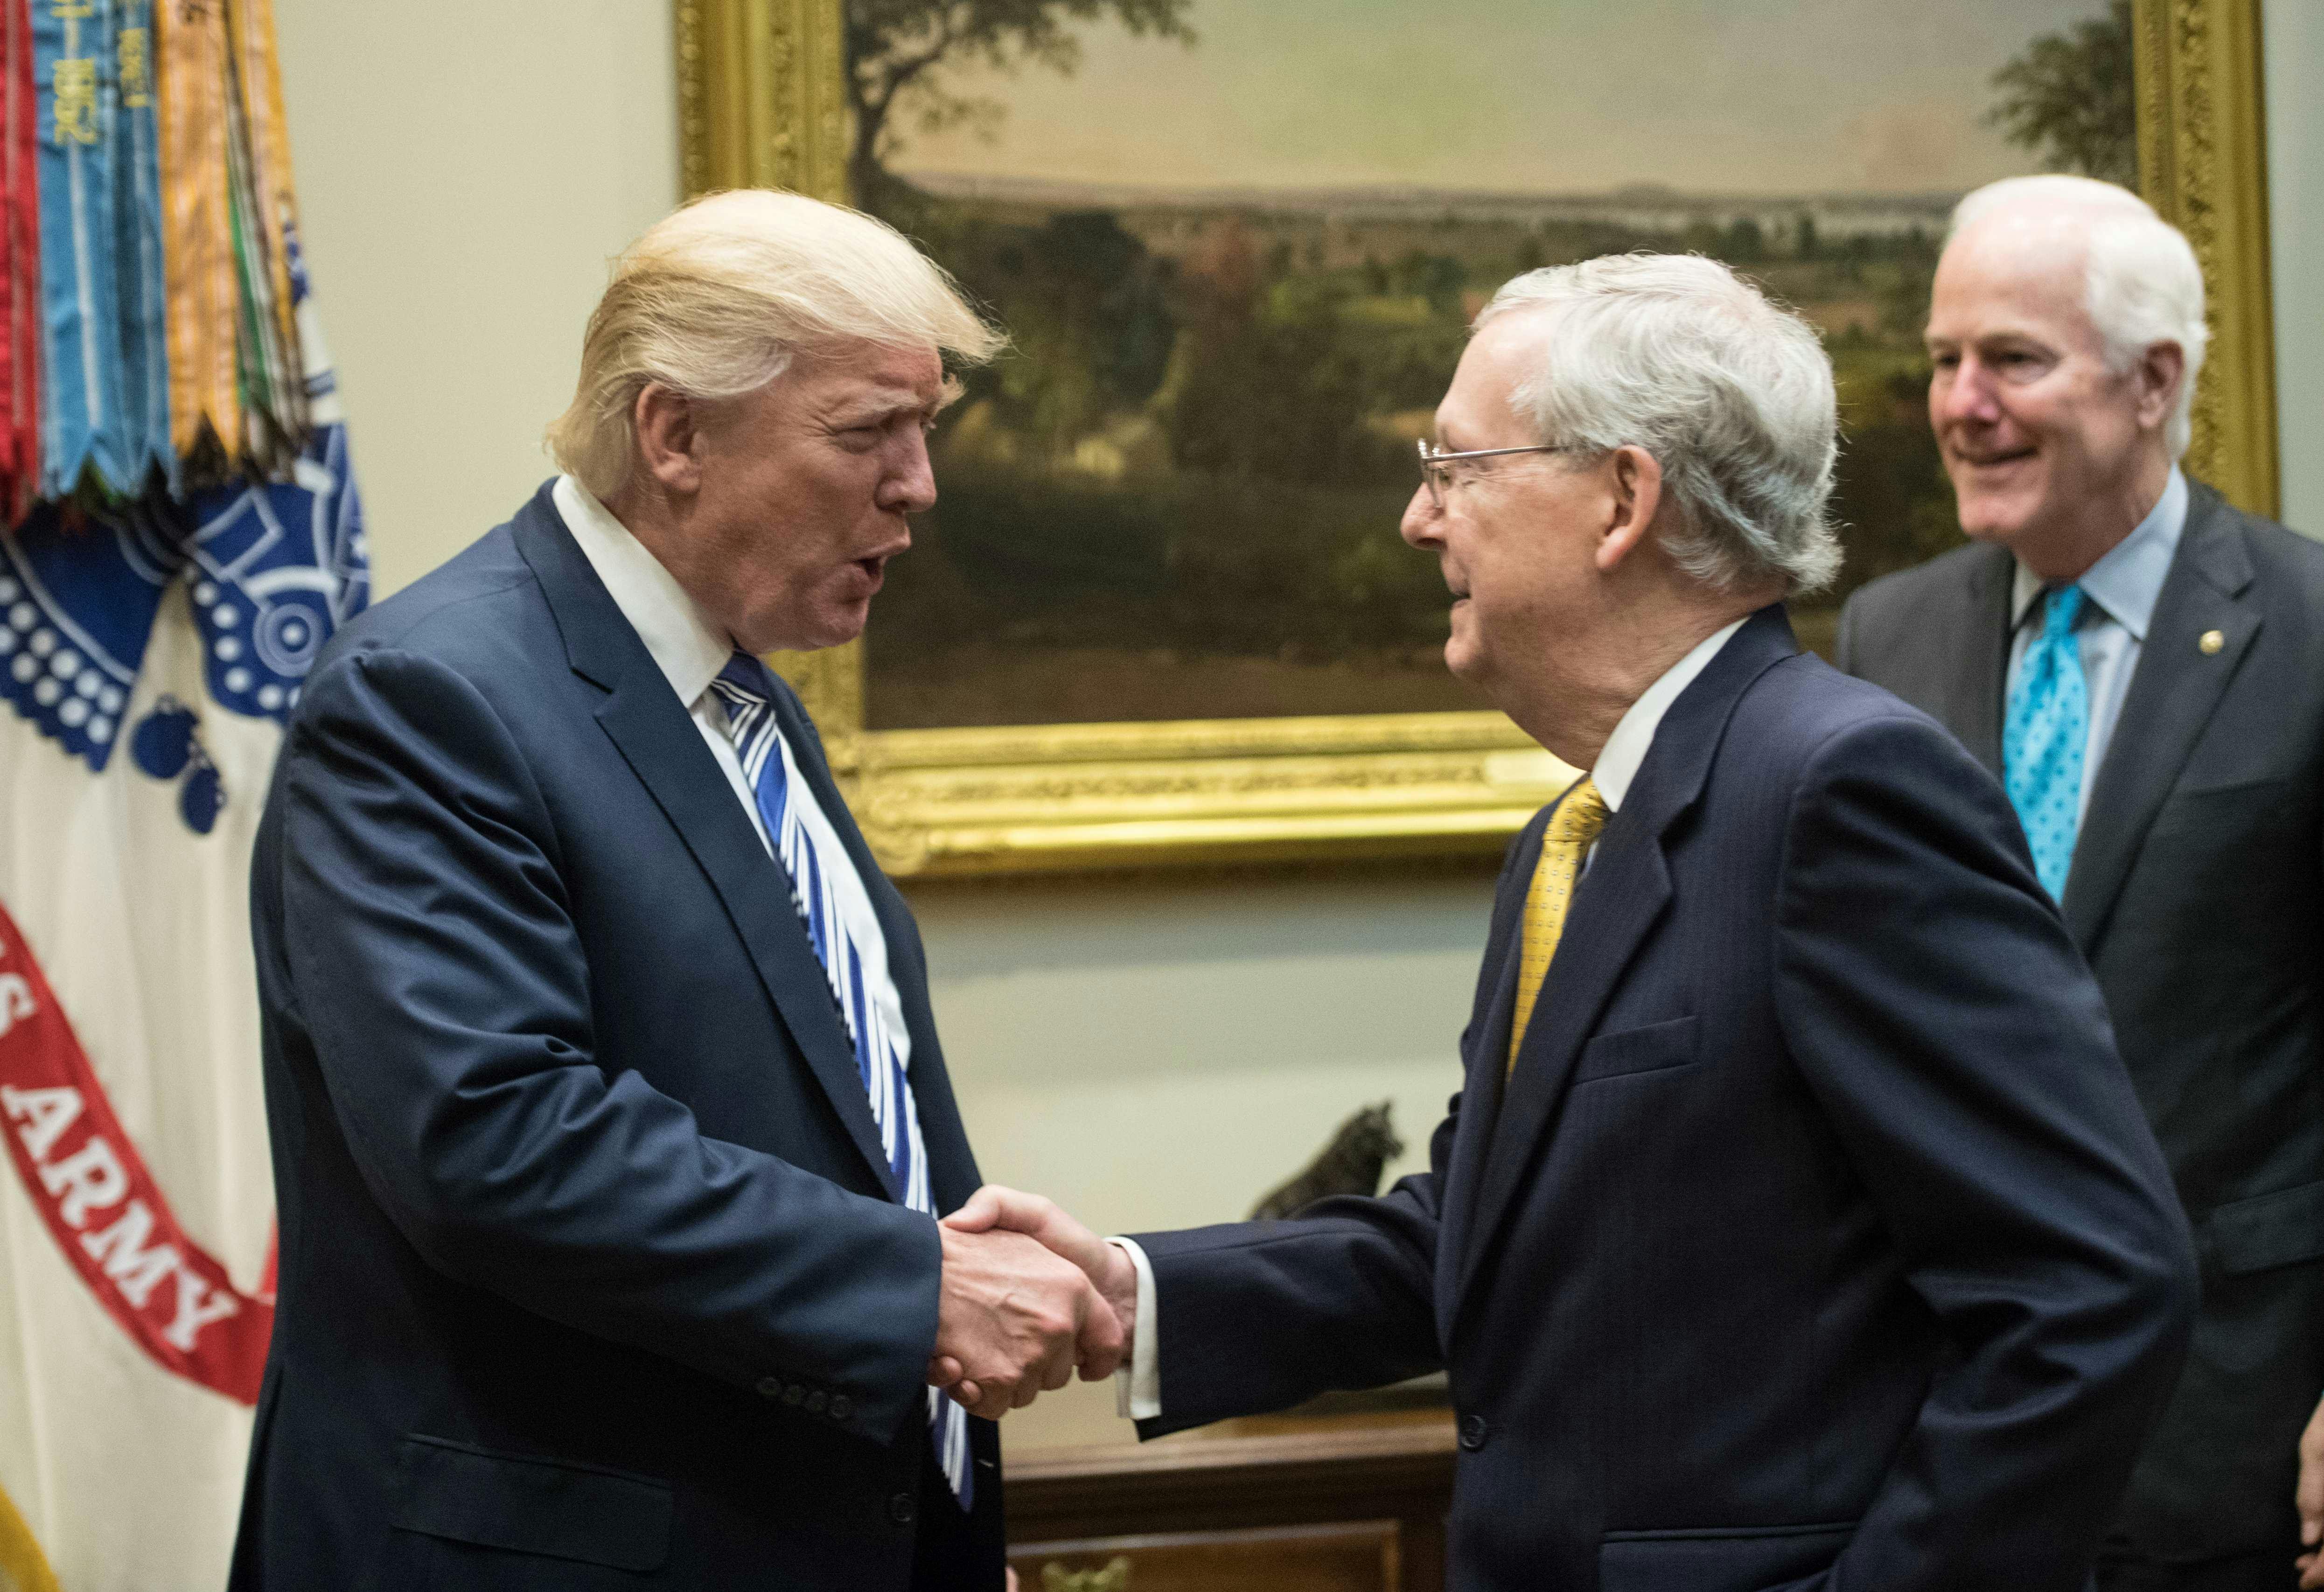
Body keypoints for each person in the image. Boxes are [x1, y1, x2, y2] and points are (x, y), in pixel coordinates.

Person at [945, 254, 2198, 1592]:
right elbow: (1479, 1236)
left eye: (1456, 468)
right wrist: (1135, 1293)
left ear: (1622, 500)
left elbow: (2091, 1291)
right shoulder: (1581, 827)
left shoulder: (1842, 790)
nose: (1419, 518)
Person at [227, 191, 1120, 1592]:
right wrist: (920, 1287)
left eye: (927, 428)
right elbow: (496, 1137)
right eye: (867, 432)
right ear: (675, 434)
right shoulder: (428, 699)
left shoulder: (741, 697)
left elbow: (834, 1113)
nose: (919, 485)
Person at [1835, 173, 2324, 1592]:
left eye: (2013, 359)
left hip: (2231, 1434)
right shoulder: (1887, 638)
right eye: (1944, 359)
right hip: (1936, 1447)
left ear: (2154, 381)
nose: (1961, 404)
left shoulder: (2310, 631)